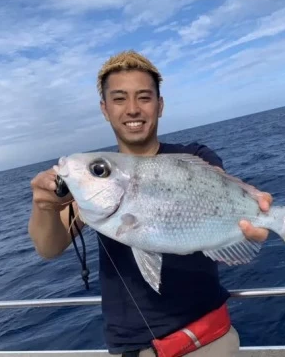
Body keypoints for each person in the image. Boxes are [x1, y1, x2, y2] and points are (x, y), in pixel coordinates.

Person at [28, 50, 272, 356]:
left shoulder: (195, 158)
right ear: (104, 109)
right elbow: (49, 248)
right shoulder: (98, 182)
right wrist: (45, 206)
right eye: (119, 99)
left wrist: (258, 209)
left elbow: (220, 186)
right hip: (132, 346)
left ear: (160, 105)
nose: (132, 109)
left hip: (210, 337)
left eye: (144, 97)